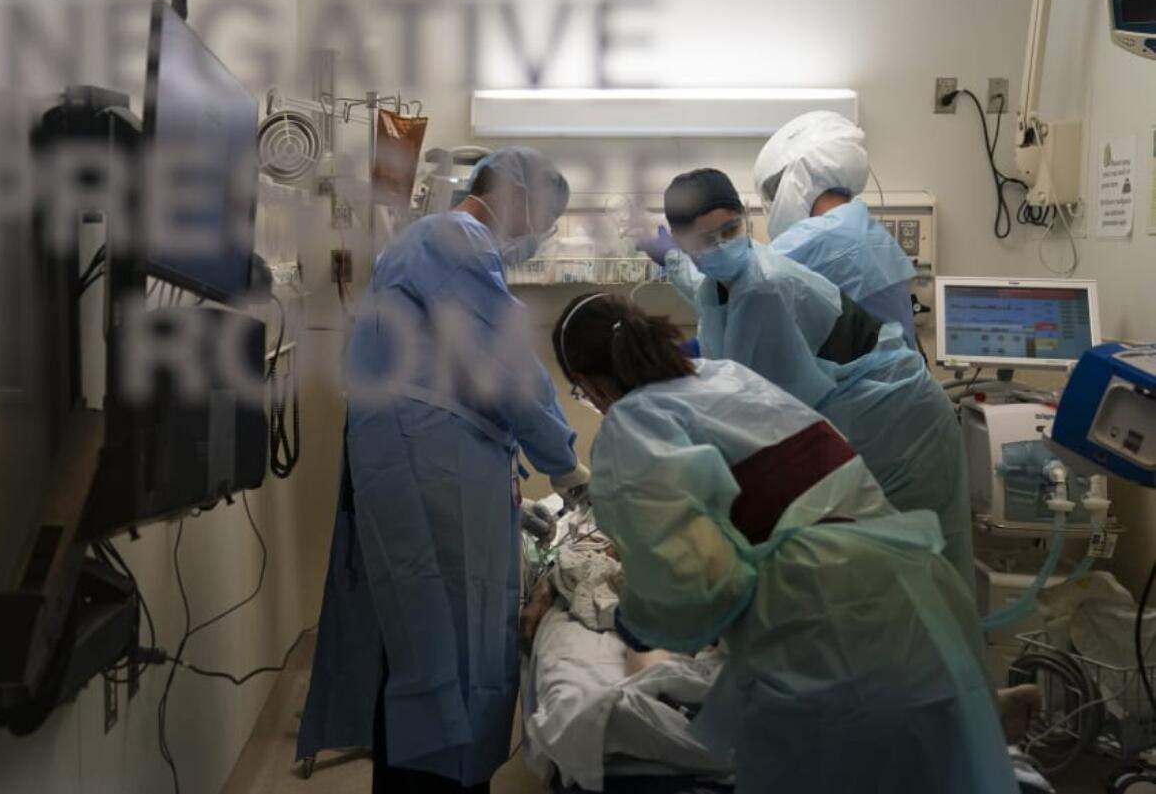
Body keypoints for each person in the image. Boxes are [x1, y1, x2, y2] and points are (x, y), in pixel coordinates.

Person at [550, 292, 1017, 794]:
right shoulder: (726, 377)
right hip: (916, 598)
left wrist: (636, 621)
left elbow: (693, 589)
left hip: (820, 628)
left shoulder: (632, 427)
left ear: (590, 384)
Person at [297, 147, 590, 793]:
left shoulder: (435, 245)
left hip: (425, 466)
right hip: (426, 479)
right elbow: (505, 362)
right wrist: (568, 466)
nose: (537, 239)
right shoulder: (452, 236)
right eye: (542, 220)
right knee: (435, 656)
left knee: (418, 650)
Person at [641, 168, 972, 585]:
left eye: (731, 229)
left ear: (744, 217)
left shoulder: (763, 285)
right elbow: (705, 283)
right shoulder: (724, 273)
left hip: (901, 423)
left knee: (913, 570)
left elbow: (764, 422)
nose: (724, 245)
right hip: (864, 415)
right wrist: (668, 257)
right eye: (707, 240)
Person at [755, 110, 919, 349]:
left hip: (855, 385)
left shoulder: (813, 242)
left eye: (774, 191)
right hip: (899, 381)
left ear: (798, 179)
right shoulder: (863, 229)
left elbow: (747, 291)